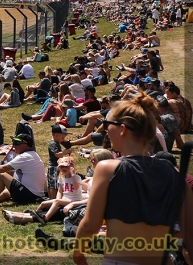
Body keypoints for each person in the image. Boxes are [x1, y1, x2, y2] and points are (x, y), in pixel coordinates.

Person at [73, 92, 193, 265]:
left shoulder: (107, 168)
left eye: (108, 124)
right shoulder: (175, 174)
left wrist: (78, 251)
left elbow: (91, 225)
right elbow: (189, 235)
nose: (106, 129)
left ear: (122, 129)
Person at [0, 134, 45, 208]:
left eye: (17, 143)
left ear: (26, 145)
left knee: (2, 175)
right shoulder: (33, 154)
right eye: (14, 143)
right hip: (34, 195)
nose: (14, 146)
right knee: (7, 192)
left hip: (28, 195)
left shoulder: (24, 156)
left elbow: (4, 168)